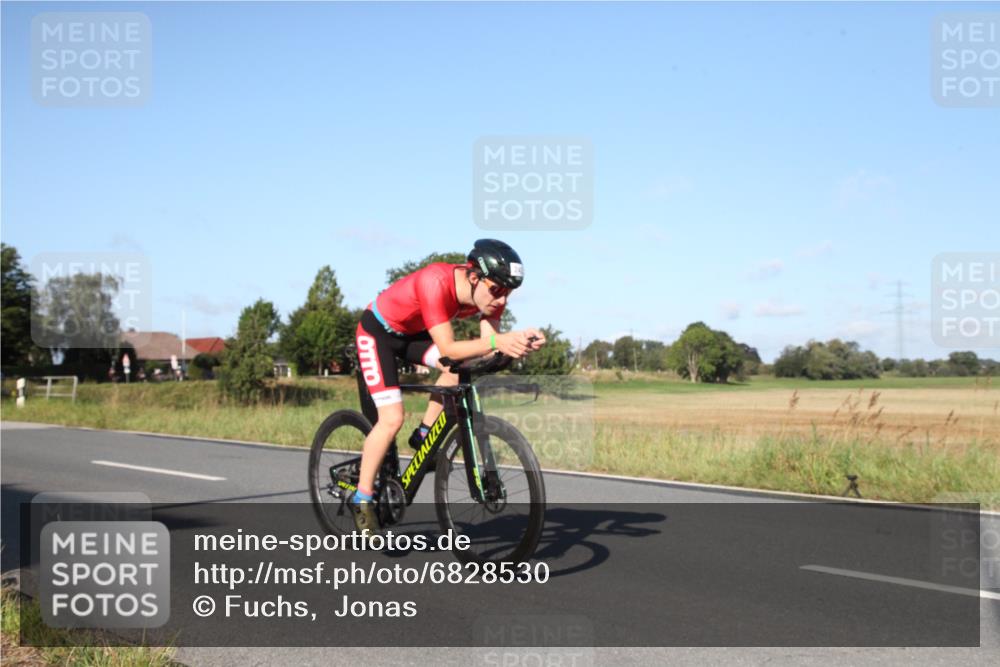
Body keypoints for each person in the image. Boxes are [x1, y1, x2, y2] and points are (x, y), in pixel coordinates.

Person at [350, 239, 546, 534]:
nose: (502, 300)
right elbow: (450, 348)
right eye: (496, 290)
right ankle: (362, 500)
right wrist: (498, 341)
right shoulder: (435, 282)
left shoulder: (489, 296)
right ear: (473, 276)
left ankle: (424, 436)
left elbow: (487, 349)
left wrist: (519, 343)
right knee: (391, 419)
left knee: (457, 371)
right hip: (378, 333)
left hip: (413, 335)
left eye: (509, 293)